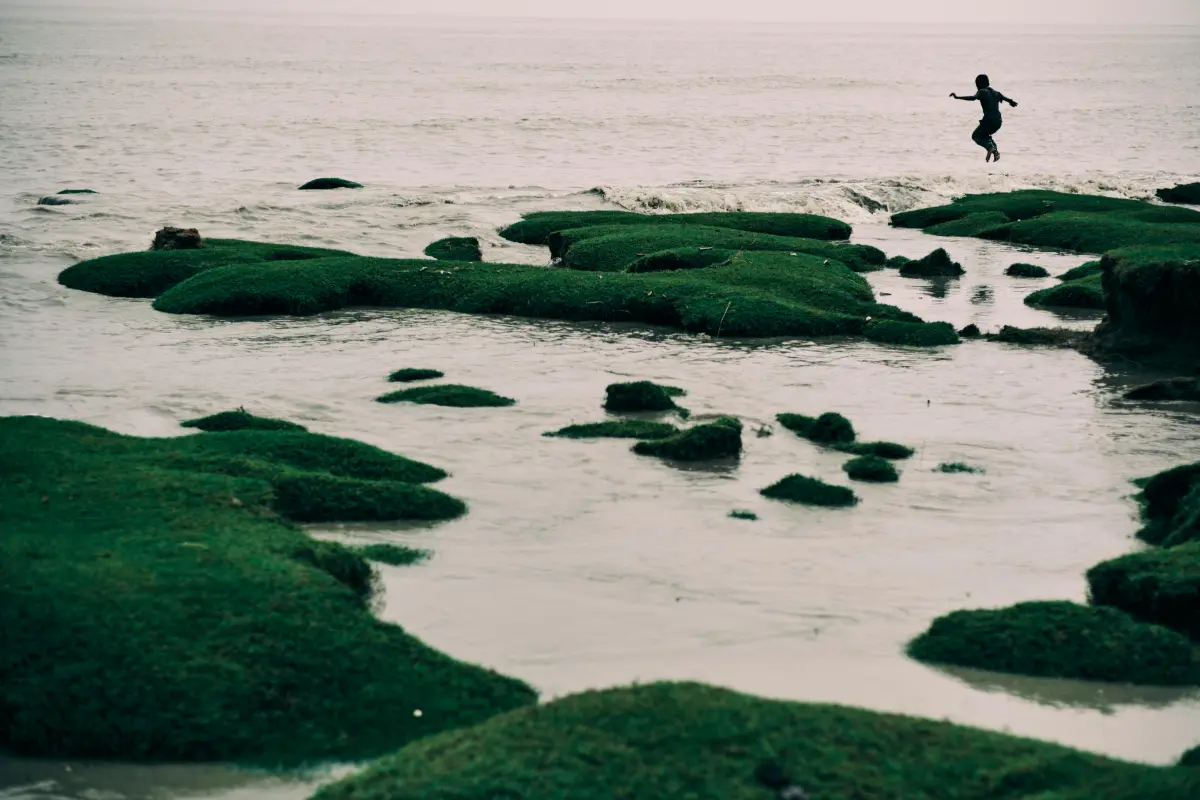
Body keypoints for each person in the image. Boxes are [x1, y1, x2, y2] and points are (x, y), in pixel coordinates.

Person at [951, 74, 1018, 162]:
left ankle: (990, 147)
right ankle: (996, 152)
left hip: (988, 121)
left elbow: (972, 98)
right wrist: (1012, 102)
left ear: (978, 84)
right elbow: (1009, 100)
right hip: (998, 122)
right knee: (985, 135)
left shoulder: (982, 92)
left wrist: (957, 97)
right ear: (988, 82)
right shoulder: (996, 93)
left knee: (976, 136)